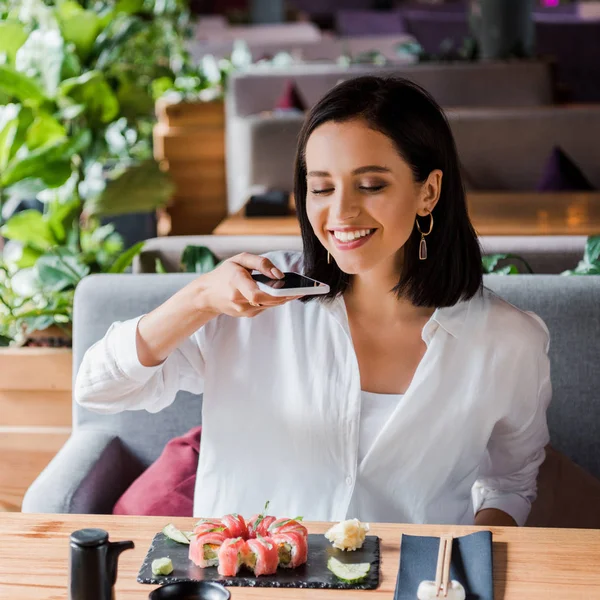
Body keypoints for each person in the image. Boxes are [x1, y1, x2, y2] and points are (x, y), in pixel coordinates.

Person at [75, 76, 551, 526]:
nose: (340, 212)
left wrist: (472, 564)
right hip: (248, 586)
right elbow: (99, 387)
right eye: (321, 187)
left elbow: (510, 482)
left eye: (371, 185)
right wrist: (199, 297)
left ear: (428, 191)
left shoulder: (507, 341)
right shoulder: (252, 299)